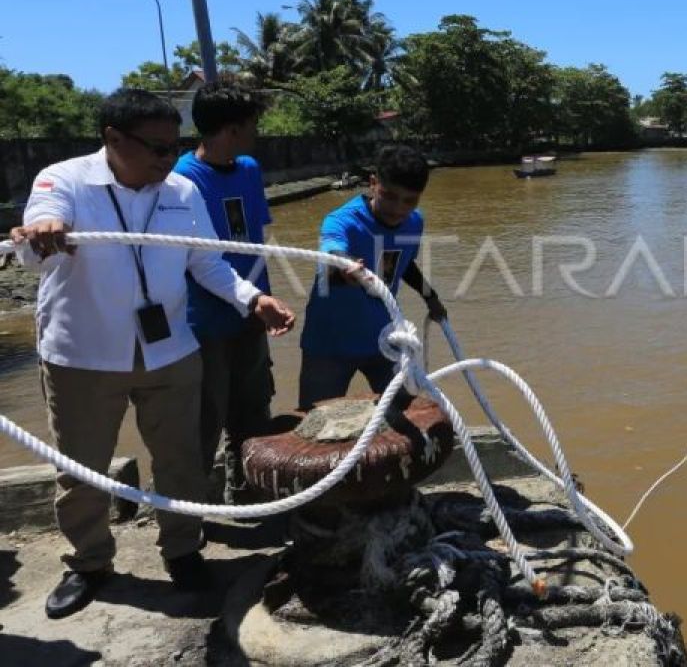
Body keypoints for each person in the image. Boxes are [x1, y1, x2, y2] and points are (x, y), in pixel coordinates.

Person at [10, 89, 295, 619]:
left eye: (173, 147)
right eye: (157, 149)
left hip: (171, 351)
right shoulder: (63, 181)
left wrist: (252, 299)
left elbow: (206, 264)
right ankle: (90, 562)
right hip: (83, 357)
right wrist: (42, 233)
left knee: (182, 458)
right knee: (82, 469)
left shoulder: (182, 191)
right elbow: (31, 248)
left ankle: (183, 551)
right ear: (112, 139)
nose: (169, 160)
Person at [173, 78, 275, 502]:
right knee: (203, 418)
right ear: (232, 129)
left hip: (254, 312)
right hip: (205, 323)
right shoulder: (181, 180)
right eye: (251, 124)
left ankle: (247, 497)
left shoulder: (249, 170)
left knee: (252, 411)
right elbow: (190, 262)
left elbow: (256, 236)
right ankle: (189, 513)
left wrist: (262, 300)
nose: (256, 133)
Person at [298, 144, 446, 410]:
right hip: (330, 344)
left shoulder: (414, 221)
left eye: (410, 200)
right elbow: (331, 252)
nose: (398, 209)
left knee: (406, 411)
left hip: (384, 339)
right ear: (373, 183)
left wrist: (431, 298)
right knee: (316, 422)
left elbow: (405, 263)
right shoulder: (341, 221)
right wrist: (346, 265)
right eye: (389, 196)